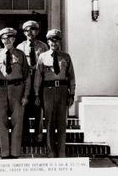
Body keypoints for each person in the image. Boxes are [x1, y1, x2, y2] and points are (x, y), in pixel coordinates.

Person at [0, 28, 31, 159]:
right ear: (1, 40)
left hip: (17, 89)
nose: (7, 41)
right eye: (4, 39)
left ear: (14, 39)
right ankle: (5, 152)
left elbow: (27, 76)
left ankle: (15, 152)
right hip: (1, 90)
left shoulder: (20, 54)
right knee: (2, 121)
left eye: (10, 38)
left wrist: (25, 95)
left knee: (17, 121)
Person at [34, 29, 75, 157]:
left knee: (62, 123)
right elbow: (38, 77)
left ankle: (61, 151)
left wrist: (72, 93)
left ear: (59, 42)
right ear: (48, 41)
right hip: (48, 91)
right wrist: (36, 94)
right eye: (51, 40)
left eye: (56, 40)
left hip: (62, 91)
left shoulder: (66, 57)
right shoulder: (42, 57)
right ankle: (51, 151)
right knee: (49, 122)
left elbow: (71, 76)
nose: (54, 43)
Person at [17, 20, 48, 146]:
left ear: (38, 31)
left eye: (33, 29)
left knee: (38, 110)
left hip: (39, 81)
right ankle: (24, 137)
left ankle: (38, 137)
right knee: (23, 109)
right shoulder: (20, 47)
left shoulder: (43, 46)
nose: (30, 32)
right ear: (24, 32)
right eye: (27, 30)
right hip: (25, 82)